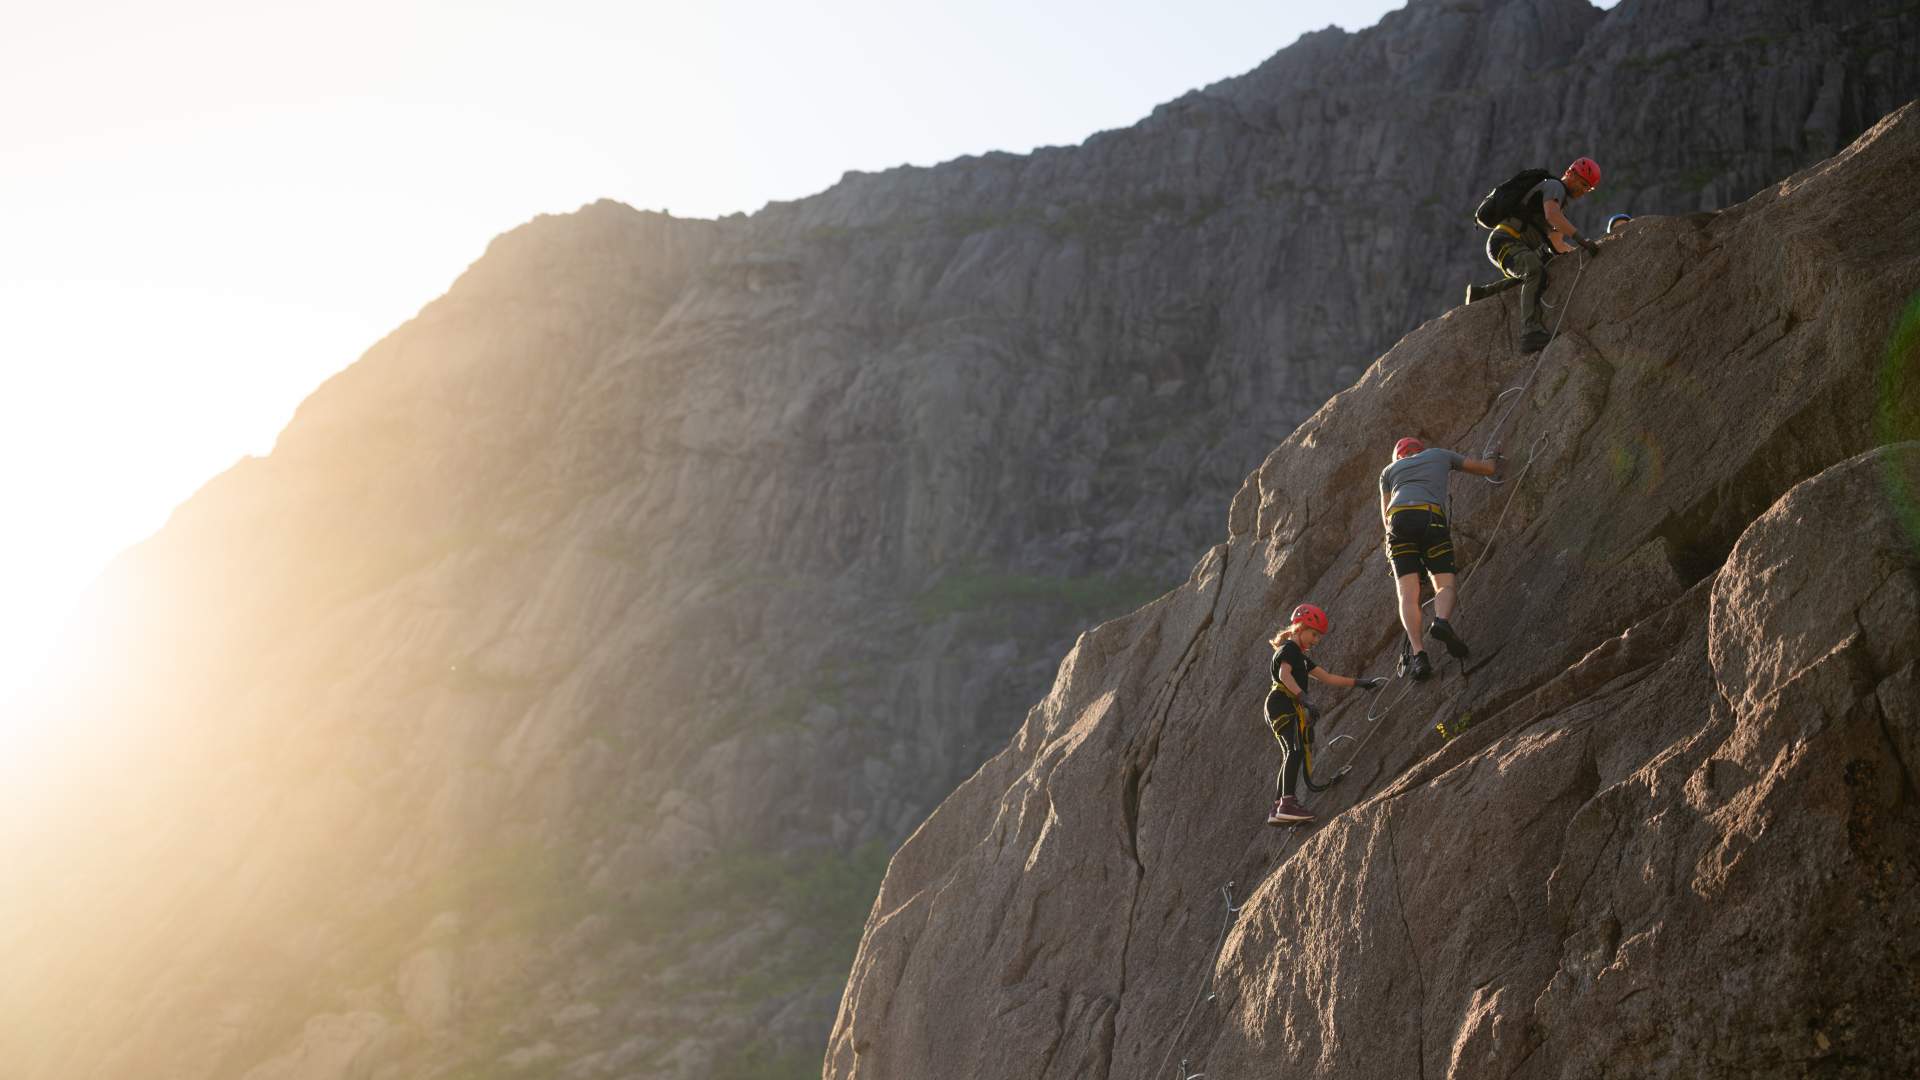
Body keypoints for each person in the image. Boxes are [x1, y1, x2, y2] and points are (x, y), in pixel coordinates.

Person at [1379, 438, 1502, 681]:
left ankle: (1418, 655)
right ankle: (1442, 621)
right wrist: (1492, 455)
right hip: (1430, 516)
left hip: (1399, 521)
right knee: (1444, 584)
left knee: (1407, 594)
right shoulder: (1438, 454)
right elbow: (1487, 469)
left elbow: (1385, 518)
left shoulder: (1388, 471)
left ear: (1398, 456)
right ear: (1419, 451)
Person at [1266, 603, 1387, 825]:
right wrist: (1304, 698)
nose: (1316, 640)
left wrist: (1359, 683)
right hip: (1282, 703)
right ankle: (1287, 804)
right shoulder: (1289, 650)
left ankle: (1278, 808)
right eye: (1313, 634)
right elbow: (1284, 675)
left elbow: (1328, 677)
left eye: (1318, 636)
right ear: (1299, 628)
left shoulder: (1300, 657)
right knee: (1295, 751)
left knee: (1291, 753)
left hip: (1283, 705)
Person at [1485, 157, 1603, 352]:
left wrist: (1580, 254)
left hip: (1509, 244)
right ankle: (1530, 332)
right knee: (1534, 270)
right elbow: (1553, 217)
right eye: (1583, 184)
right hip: (1505, 241)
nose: (1583, 191)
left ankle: (1481, 294)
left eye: (1588, 189)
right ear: (1571, 173)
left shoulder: (1558, 201)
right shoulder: (1554, 187)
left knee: (1538, 271)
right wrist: (1582, 240)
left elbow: (1557, 244)